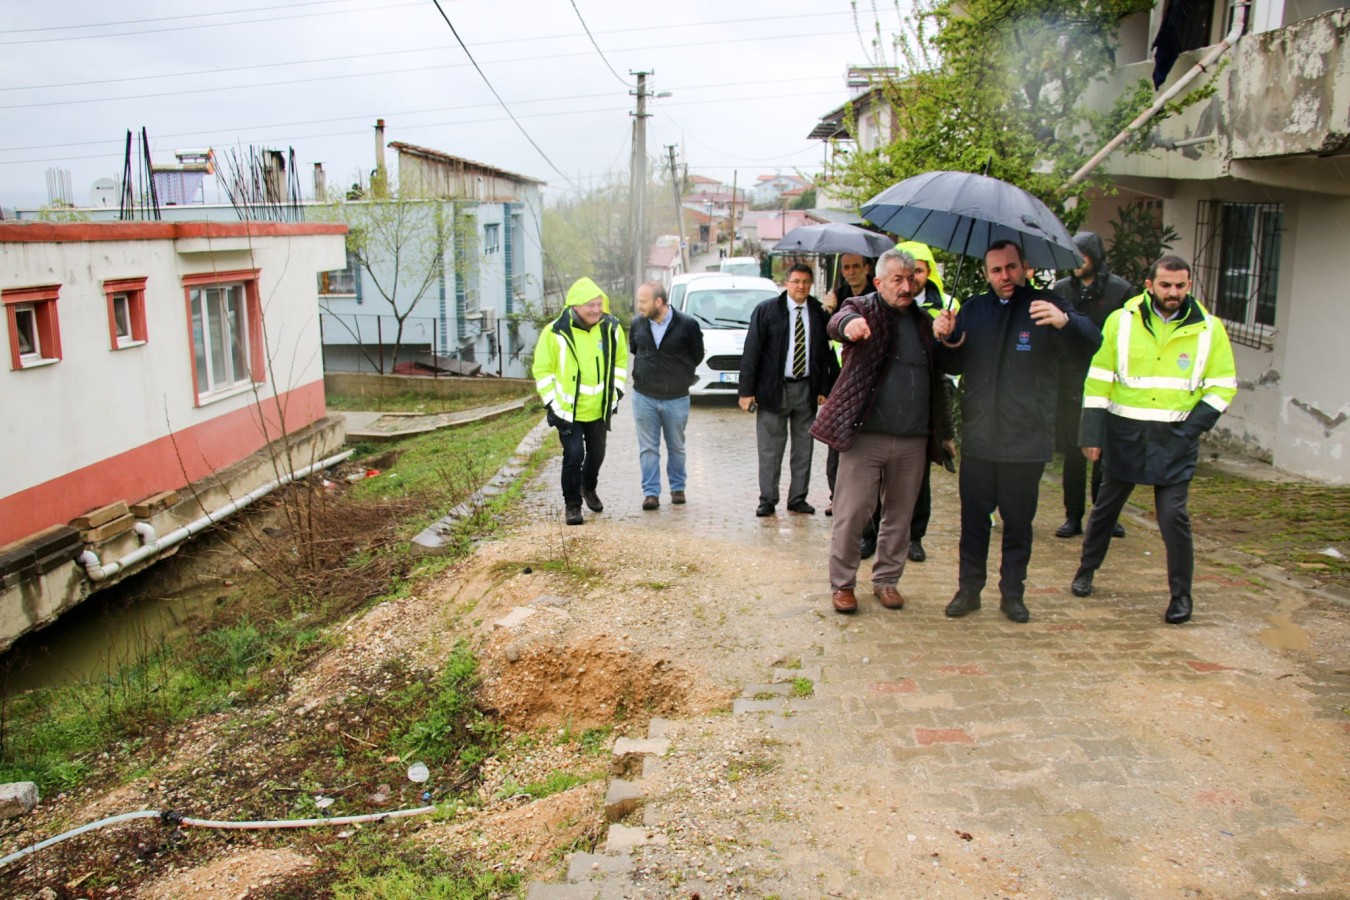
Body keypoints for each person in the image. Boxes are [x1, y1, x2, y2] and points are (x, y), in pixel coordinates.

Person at [936, 241, 1101, 623]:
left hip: (1025, 440)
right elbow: (952, 363)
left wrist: (1066, 322)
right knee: (973, 523)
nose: (1005, 276)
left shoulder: (1046, 305)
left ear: (1025, 267)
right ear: (986, 274)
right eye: (996, 270)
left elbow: (1092, 342)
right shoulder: (974, 309)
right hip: (979, 436)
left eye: (1011, 267)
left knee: (1018, 525)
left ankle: (1013, 594)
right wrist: (944, 336)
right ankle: (968, 589)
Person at [1070, 255, 1237, 625]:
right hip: (1125, 433)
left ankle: (1181, 596)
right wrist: (1091, 433)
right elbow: (1098, 379)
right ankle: (1086, 570)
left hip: (1175, 439)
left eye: (1180, 286)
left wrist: (1190, 431)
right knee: (1105, 510)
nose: (1173, 292)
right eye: (1165, 285)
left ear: (1189, 285)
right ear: (1150, 285)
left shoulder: (1211, 330)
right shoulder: (1121, 322)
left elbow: (1223, 386)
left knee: (1174, 517)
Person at [811, 249, 955, 614]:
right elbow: (837, 321)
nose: (906, 286)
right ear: (878, 282)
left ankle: (887, 581)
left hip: (913, 438)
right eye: (897, 280)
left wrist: (947, 338)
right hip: (865, 436)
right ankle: (842, 585)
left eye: (911, 279)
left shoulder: (924, 321)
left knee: (899, 515)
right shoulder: (862, 306)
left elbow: (940, 378)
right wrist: (849, 327)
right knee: (852, 512)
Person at [1051, 232, 1135, 539]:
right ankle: (1073, 515)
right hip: (1071, 383)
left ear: (1094, 257)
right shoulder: (1060, 289)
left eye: (1081, 255)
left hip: (1109, 382)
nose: (1076, 261)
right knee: (1074, 455)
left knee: (1106, 455)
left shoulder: (1121, 290)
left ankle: (1106, 515)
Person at [739, 263, 840, 517]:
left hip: (806, 390)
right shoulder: (767, 311)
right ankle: (768, 498)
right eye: (796, 281)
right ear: (786, 283)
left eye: (806, 282)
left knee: (804, 448)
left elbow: (828, 353)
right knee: (771, 449)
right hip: (774, 390)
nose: (801, 286)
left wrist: (825, 386)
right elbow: (751, 352)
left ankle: (797, 498)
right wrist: (746, 391)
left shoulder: (817, 312)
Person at [532, 277, 629, 526]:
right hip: (568, 411)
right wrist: (552, 402)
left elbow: (620, 362)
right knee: (574, 455)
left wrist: (616, 391)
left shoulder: (611, 328)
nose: (597, 310)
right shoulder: (554, 333)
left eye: (599, 304)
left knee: (597, 453)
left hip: (598, 408)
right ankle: (573, 504)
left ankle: (589, 487)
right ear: (575, 306)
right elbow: (542, 371)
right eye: (590, 306)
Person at [892, 240, 961, 564]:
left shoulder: (947, 305)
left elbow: (955, 361)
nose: (913, 277)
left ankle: (915, 537)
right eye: (907, 270)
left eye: (918, 270)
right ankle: (877, 534)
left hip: (925, 405)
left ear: (928, 272)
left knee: (920, 477)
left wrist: (945, 337)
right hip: (891, 402)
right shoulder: (890, 303)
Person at [629, 281, 705, 510]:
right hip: (644, 397)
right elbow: (635, 348)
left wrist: (679, 374)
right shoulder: (637, 323)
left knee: (676, 446)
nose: (639, 306)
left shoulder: (688, 324)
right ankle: (651, 493)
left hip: (677, 398)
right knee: (648, 448)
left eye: (643, 301)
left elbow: (697, 354)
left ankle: (677, 488)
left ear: (659, 302)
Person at [820, 254, 874, 515]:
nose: (850, 272)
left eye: (855, 266)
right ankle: (836, 497)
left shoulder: (876, 299)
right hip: (838, 384)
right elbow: (821, 340)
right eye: (846, 267)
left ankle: (864, 504)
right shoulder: (837, 297)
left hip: (866, 385)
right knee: (835, 445)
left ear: (867, 268)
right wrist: (827, 311)